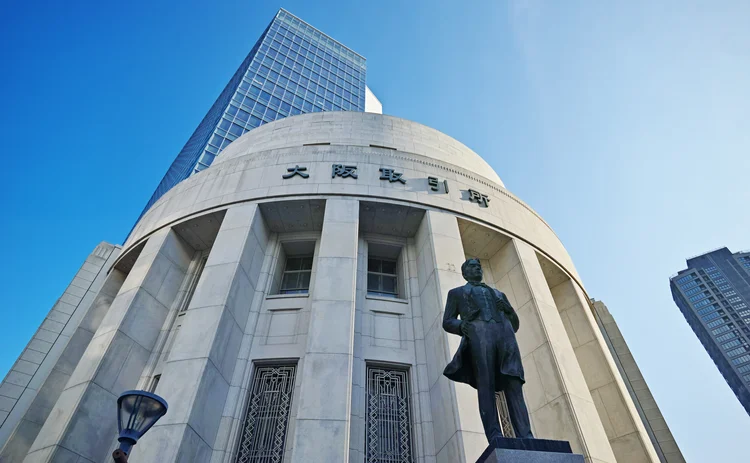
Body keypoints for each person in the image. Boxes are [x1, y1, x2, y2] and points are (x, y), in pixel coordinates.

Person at [442, 258, 534, 442]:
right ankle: (494, 434)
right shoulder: (457, 293)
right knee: (486, 384)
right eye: (472, 266)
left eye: (479, 266)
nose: (477, 268)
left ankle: (526, 435)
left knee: (514, 383)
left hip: (505, 339)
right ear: (465, 272)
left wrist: (508, 310)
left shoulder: (499, 294)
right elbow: (448, 321)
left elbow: (515, 324)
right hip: (479, 338)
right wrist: (462, 326)